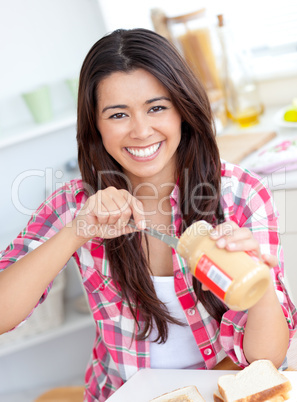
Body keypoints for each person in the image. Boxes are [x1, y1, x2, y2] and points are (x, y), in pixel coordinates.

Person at [0, 28, 296, 401]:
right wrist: (76, 232)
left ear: (182, 110)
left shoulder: (239, 193)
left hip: (221, 388)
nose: (141, 131)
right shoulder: (76, 204)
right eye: (118, 114)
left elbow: (267, 358)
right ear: (96, 125)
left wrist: (260, 282)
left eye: (157, 108)